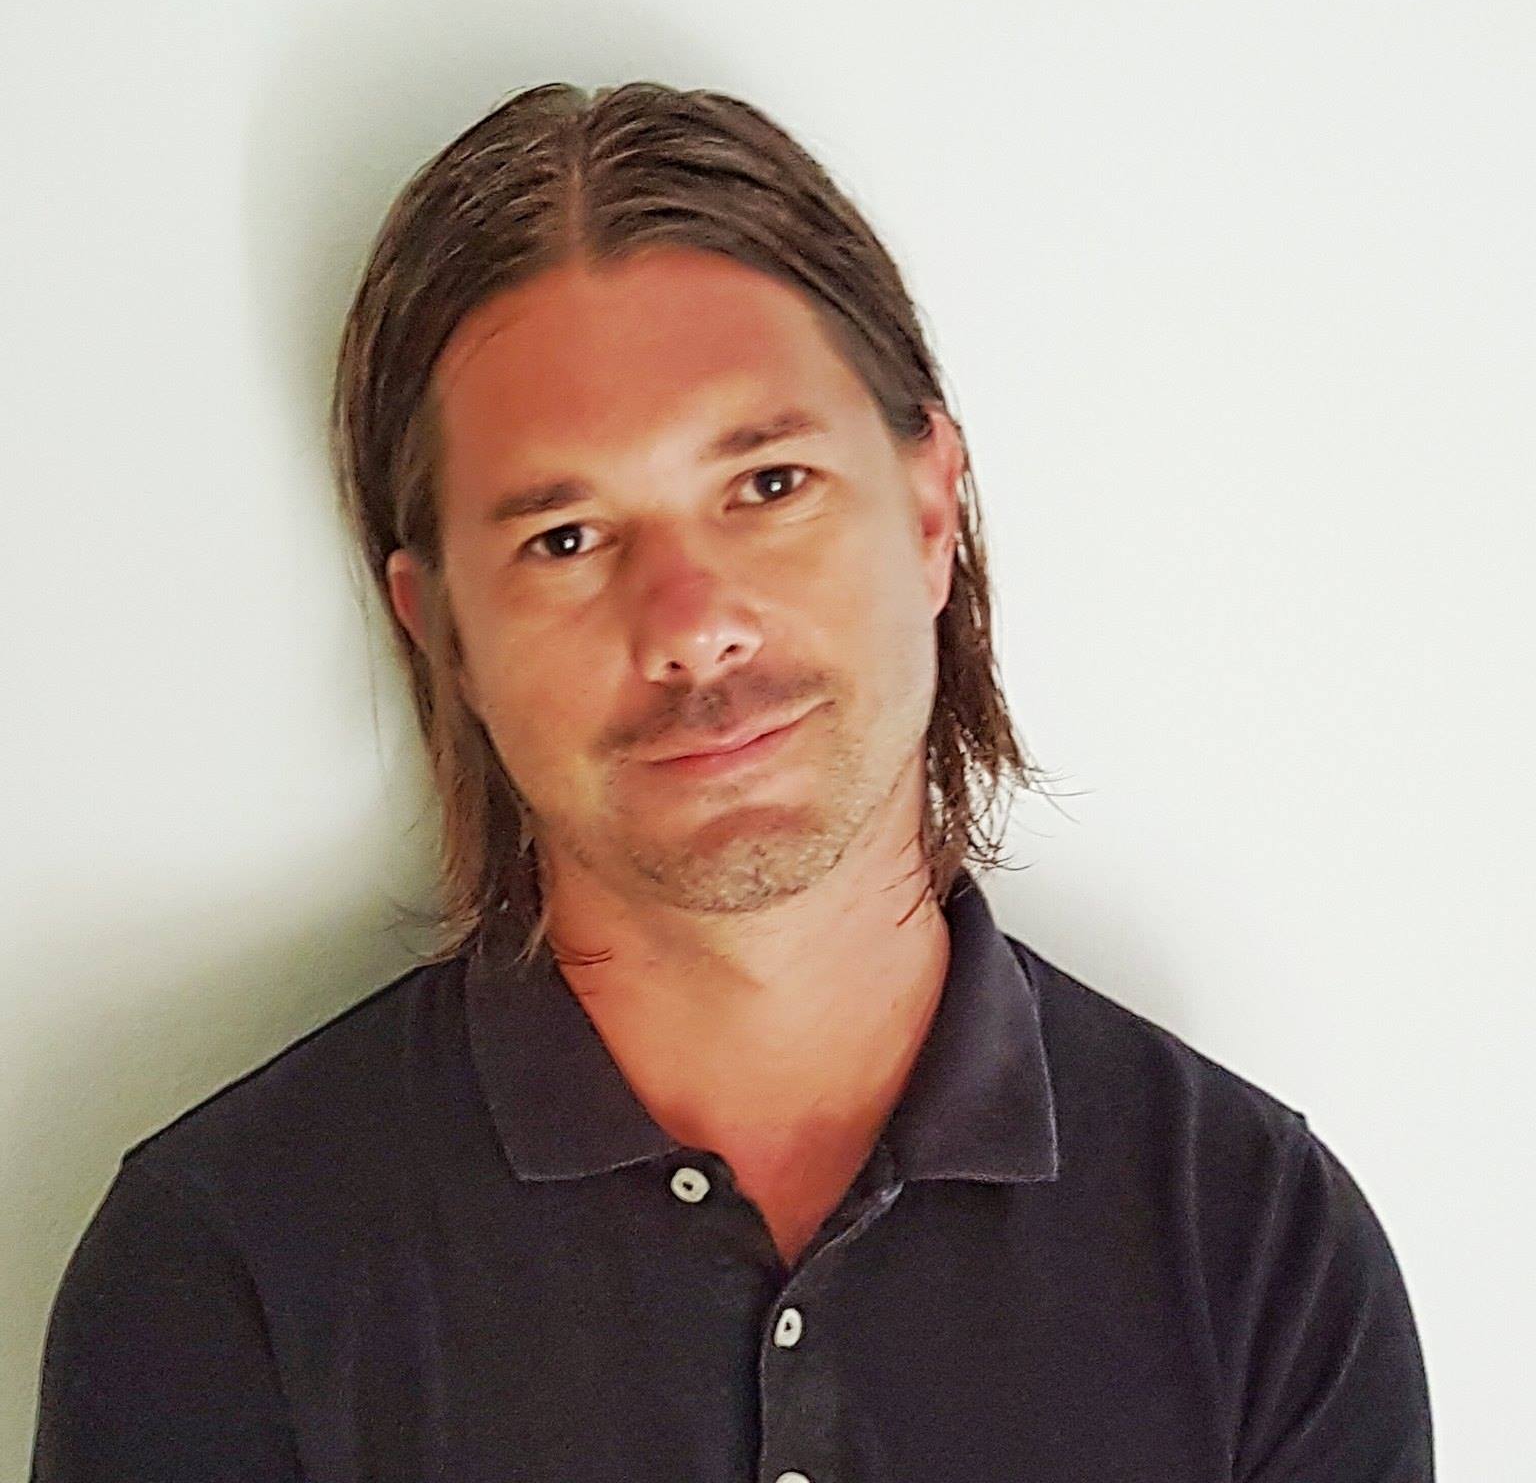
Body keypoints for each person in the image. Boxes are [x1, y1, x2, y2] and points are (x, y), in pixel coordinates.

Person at [30, 81, 1434, 1481]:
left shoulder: (1258, 1253)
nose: (693, 624)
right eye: (567, 539)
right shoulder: (225, 1273)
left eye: (768, 485)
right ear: (442, 631)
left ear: (930, 511)